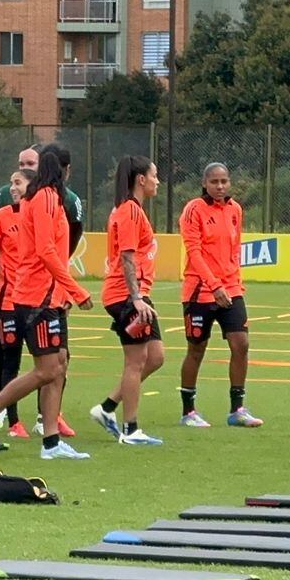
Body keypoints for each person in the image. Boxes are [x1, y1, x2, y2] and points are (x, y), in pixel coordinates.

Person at [0, 150, 93, 459]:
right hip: (37, 299)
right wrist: (74, 289)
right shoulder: (47, 198)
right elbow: (47, 251)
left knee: (58, 365)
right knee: (46, 369)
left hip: (48, 297)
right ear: (61, 171)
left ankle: (50, 442)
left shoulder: (40, 201)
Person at [88, 156, 166, 445]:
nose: (158, 181)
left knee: (155, 357)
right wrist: (136, 298)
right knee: (135, 362)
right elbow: (127, 256)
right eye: (154, 175)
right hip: (126, 295)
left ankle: (106, 408)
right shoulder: (130, 212)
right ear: (141, 179)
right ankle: (131, 429)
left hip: (136, 294)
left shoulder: (130, 210)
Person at [178, 163, 261, 428]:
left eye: (224, 181)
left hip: (231, 289)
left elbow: (234, 249)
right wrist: (214, 285)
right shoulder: (194, 210)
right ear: (205, 183)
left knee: (242, 344)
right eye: (215, 182)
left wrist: (233, 283)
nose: (220, 186)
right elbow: (194, 251)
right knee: (196, 349)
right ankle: (188, 411)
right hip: (200, 291)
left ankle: (237, 409)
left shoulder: (235, 209)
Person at [0, 169, 34, 437]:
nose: (12, 187)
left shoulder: (42, 215)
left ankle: (48, 418)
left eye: (18, 182)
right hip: (10, 300)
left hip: (38, 301)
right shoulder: (2, 216)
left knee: (52, 361)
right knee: (10, 360)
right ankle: (12, 421)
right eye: (11, 182)